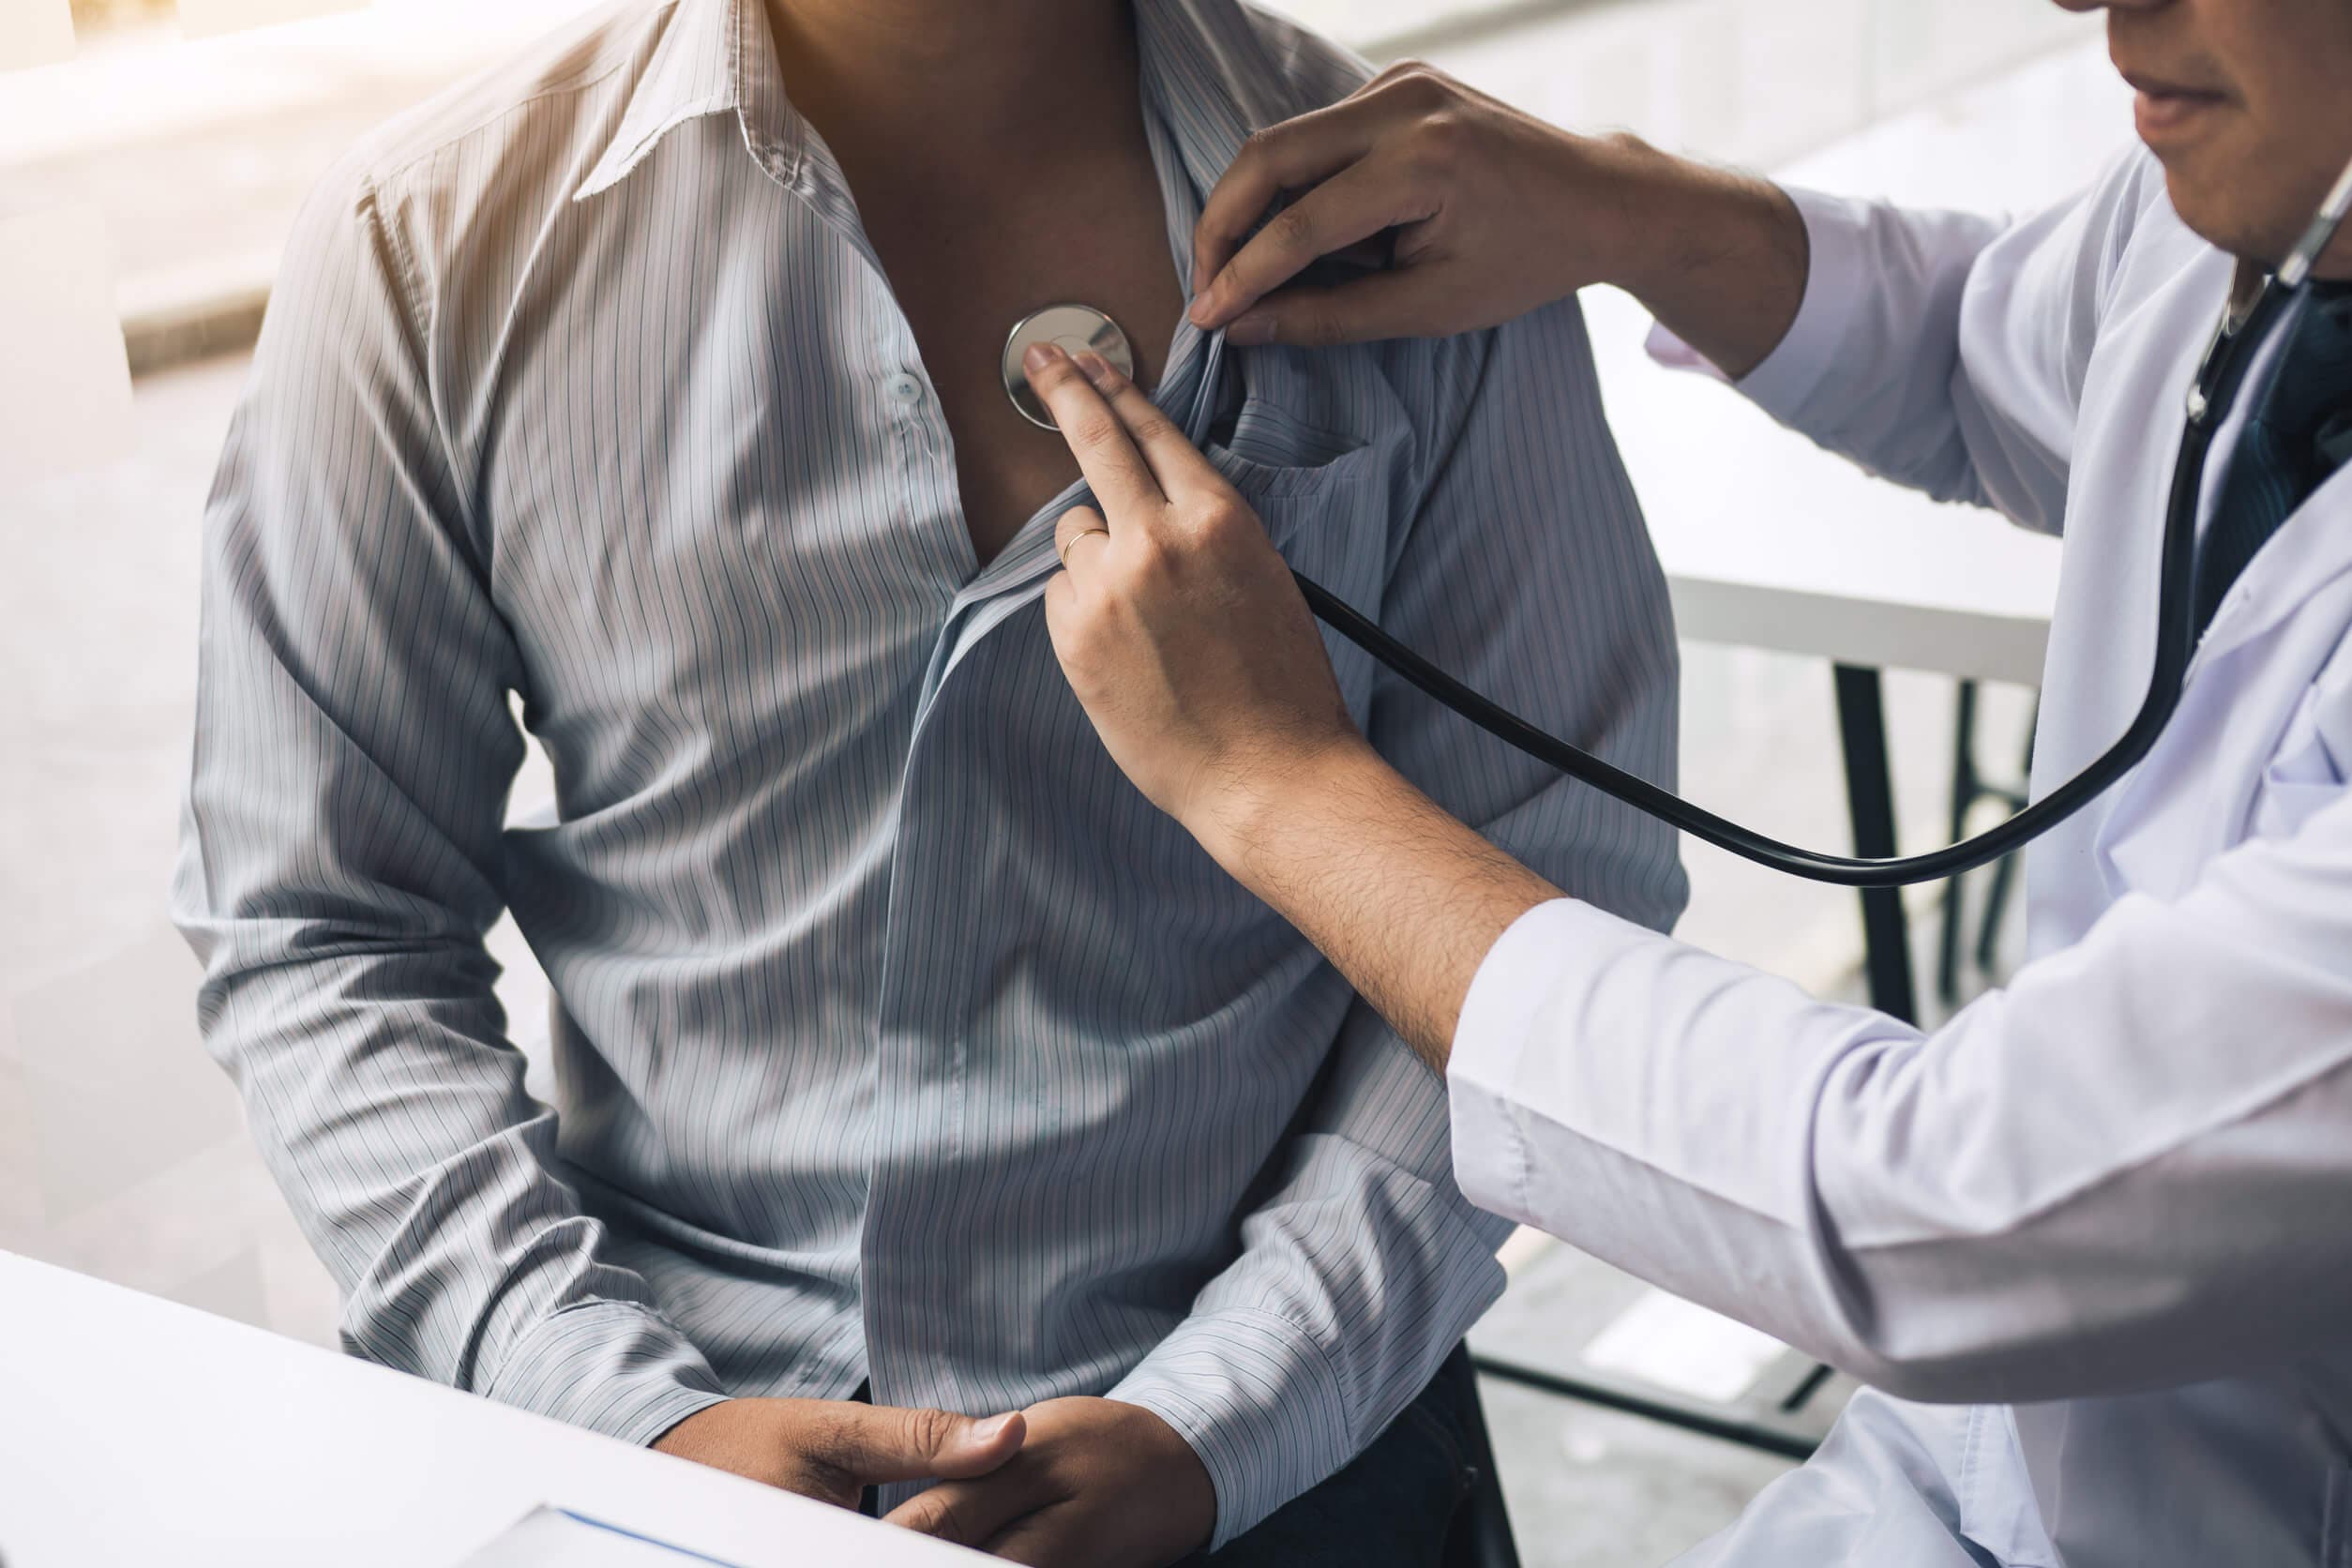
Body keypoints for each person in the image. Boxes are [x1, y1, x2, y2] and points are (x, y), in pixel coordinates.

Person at [168, 0, 1687, 1561]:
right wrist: (621, 1417)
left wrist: (1230, 1411)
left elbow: (1559, 881)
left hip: (1298, 1459)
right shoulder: (429, 242)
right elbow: (318, 927)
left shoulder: (1424, 217)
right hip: (646, 1438)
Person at [1016, 0, 2352, 1561]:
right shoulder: (2266, 207)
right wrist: (1616, 206)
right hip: (1982, 1483)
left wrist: (1272, 783)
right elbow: (2001, 345)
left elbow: (1934, 1212)